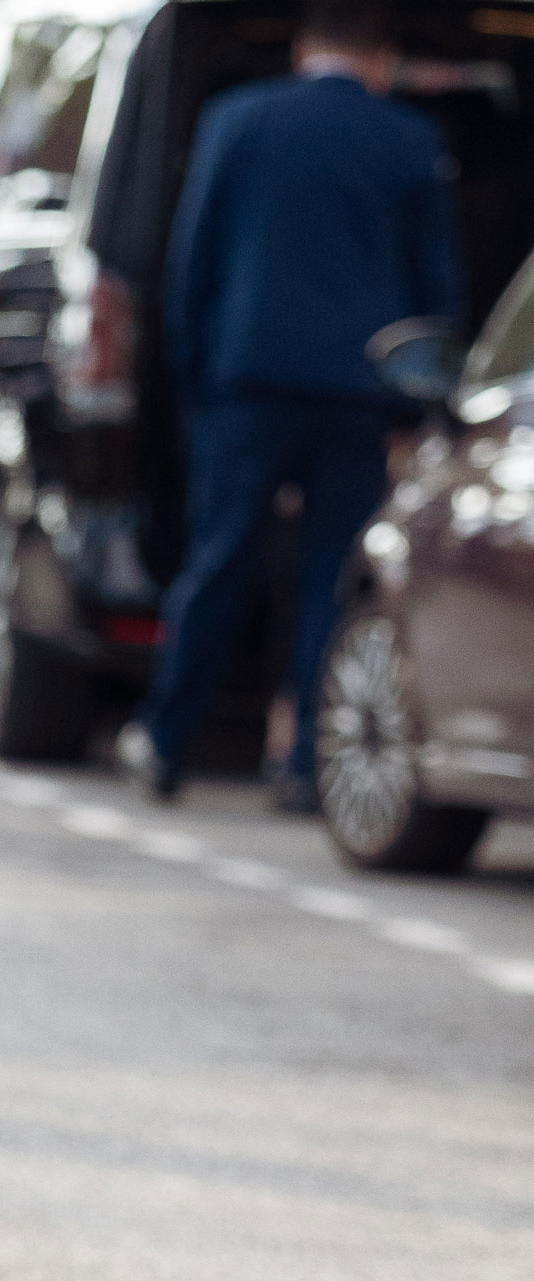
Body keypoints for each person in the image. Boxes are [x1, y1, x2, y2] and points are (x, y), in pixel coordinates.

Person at [117, 0, 461, 811]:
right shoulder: (411, 141)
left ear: (305, 48)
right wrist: (422, 401)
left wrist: (194, 380)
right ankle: (307, 761)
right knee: (332, 576)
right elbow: (434, 291)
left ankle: (168, 740)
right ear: (381, 56)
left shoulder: (237, 121)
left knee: (219, 559)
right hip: (361, 392)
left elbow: (190, 262)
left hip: (247, 383)